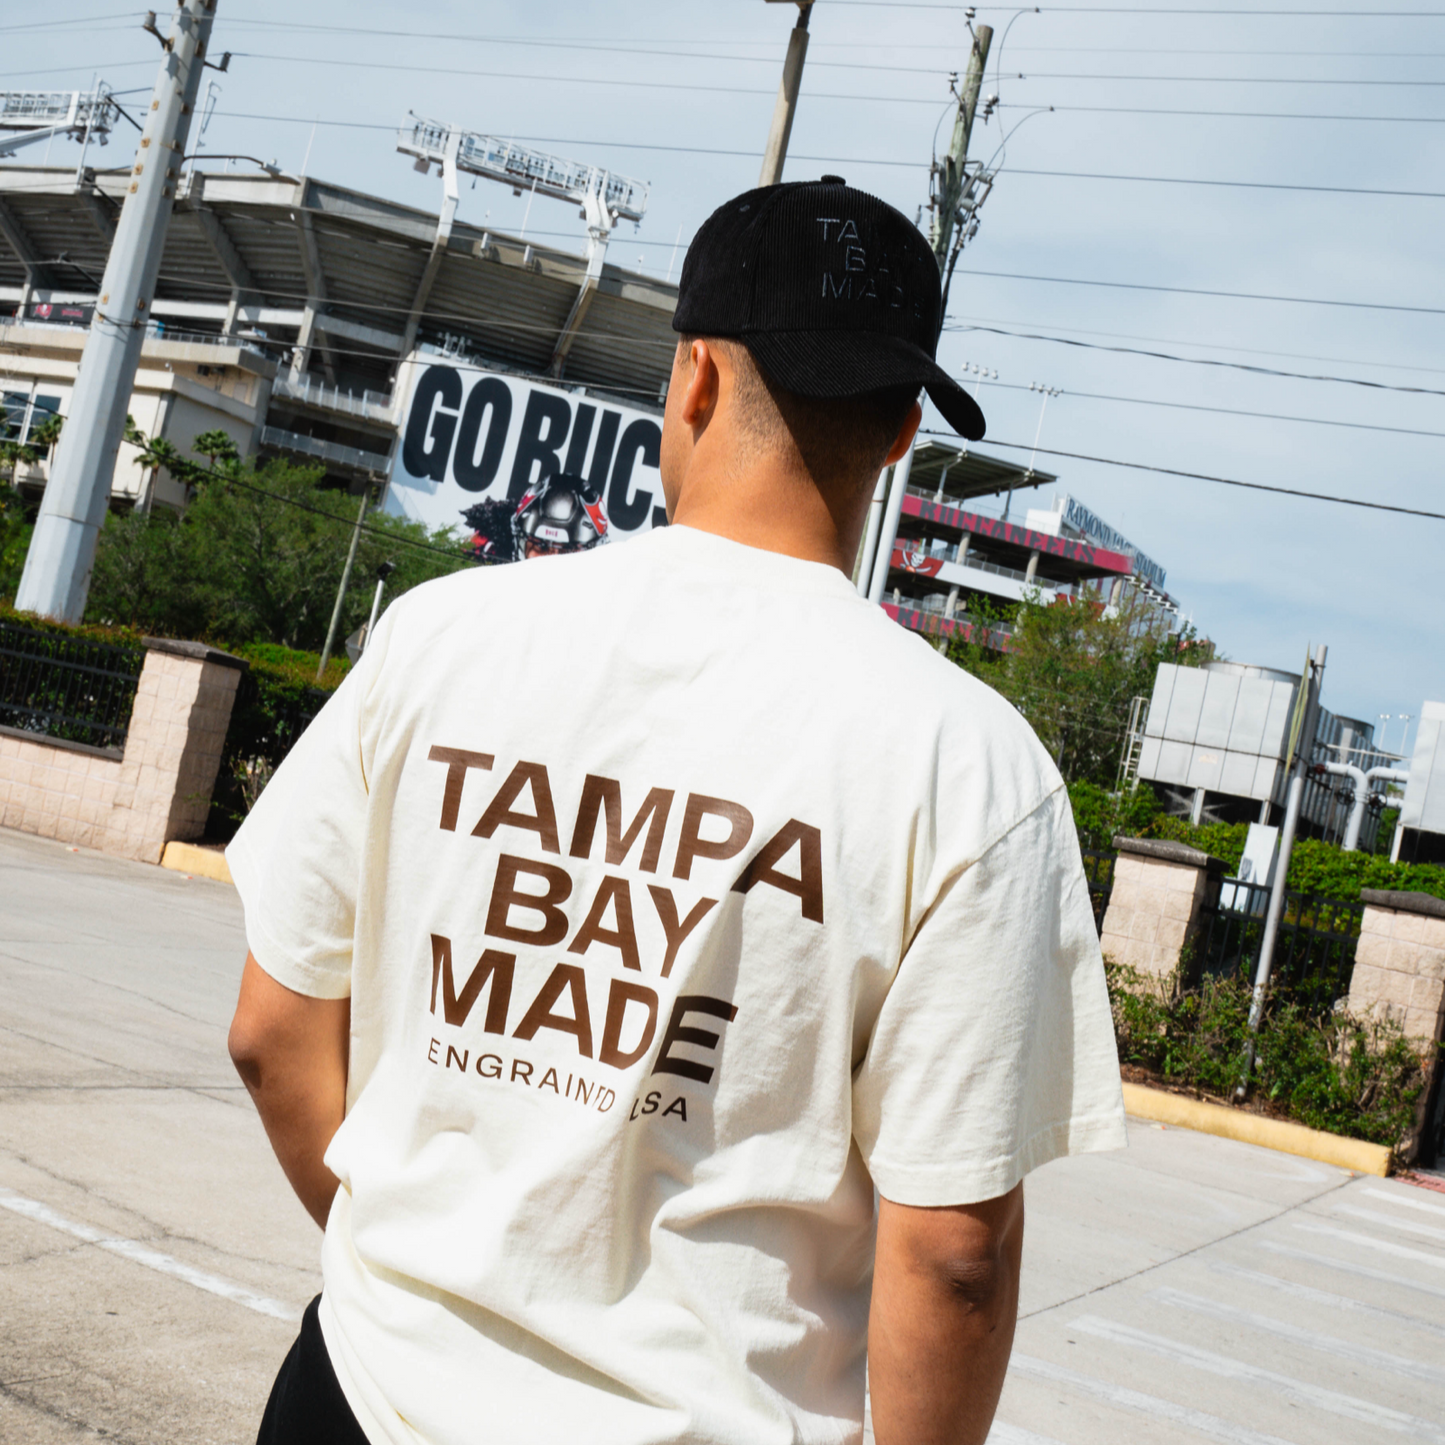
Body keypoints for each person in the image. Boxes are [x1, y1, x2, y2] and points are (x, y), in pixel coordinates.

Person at [227, 177, 1126, 1445]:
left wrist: (429, 1285)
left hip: (364, 1396)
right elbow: (955, 1250)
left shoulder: (443, 638)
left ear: (693, 378)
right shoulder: (970, 765)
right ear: (899, 433)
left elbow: (272, 1030)